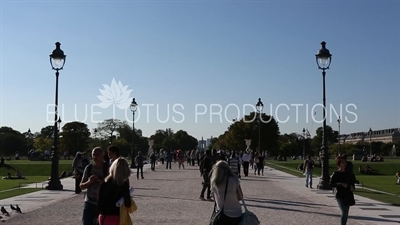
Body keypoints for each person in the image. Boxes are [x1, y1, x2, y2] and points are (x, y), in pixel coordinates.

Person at [80, 147, 109, 225]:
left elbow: (114, 184)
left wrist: (102, 181)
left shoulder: (108, 168)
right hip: (89, 202)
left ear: (103, 156)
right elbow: (81, 186)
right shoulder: (88, 168)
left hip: (104, 204)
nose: (95, 157)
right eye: (93, 155)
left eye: (97, 155)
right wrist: (89, 182)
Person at [98, 157, 131, 225]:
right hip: (116, 216)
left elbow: (99, 202)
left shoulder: (104, 183)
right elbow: (128, 204)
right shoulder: (124, 184)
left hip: (103, 216)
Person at [210, 160, 243, 224]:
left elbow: (214, 199)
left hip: (221, 213)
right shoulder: (234, 179)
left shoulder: (214, 181)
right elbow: (240, 197)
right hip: (236, 213)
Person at [330, 156, 356, 225]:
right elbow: (332, 184)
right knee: (344, 211)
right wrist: (340, 184)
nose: (344, 164)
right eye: (343, 162)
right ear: (339, 164)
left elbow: (353, 183)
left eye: (345, 162)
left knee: (346, 212)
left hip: (348, 194)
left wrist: (352, 187)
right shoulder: (336, 174)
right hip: (340, 194)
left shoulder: (349, 174)